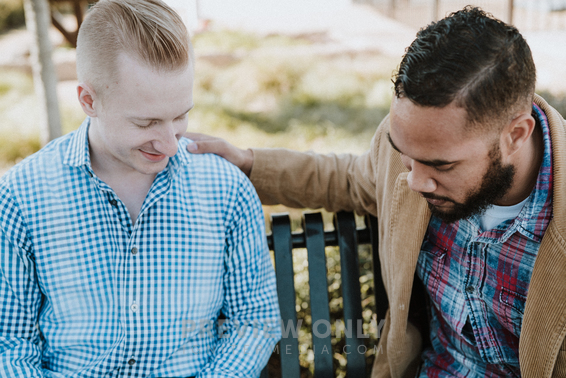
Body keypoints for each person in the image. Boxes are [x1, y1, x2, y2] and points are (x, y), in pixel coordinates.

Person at [186, 6, 566, 378]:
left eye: (440, 165)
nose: (415, 182)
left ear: (516, 135)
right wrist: (249, 163)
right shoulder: (419, 144)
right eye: (404, 154)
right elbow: (351, 178)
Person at [0, 0, 281, 377]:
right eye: (146, 123)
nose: (169, 144)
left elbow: (254, 322)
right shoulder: (21, 197)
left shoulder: (227, 191)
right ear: (89, 100)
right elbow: (11, 346)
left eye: (181, 115)